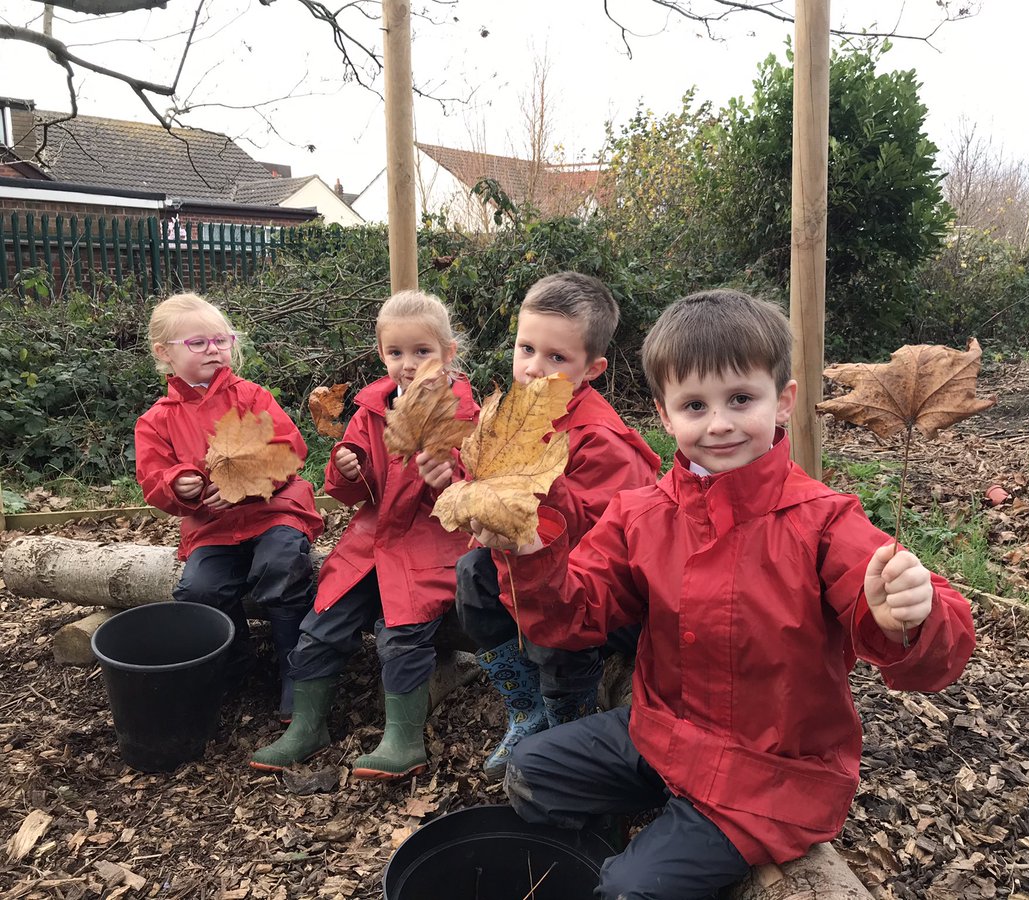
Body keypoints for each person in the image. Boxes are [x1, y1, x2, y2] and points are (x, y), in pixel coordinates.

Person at [474, 290, 978, 900]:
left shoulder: (821, 521)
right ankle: (628, 836)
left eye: (741, 398)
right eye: (694, 405)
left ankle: (650, 863)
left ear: (783, 401)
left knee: (630, 891)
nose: (718, 423)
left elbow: (935, 652)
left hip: (770, 776)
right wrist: (531, 554)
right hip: (662, 735)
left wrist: (909, 618)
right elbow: (573, 617)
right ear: (664, 415)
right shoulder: (642, 515)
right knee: (533, 771)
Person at [420, 272, 660, 781]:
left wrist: (541, 487)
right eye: (526, 348)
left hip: (582, 587)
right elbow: (486, 479)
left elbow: (607, 540)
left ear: (591, 369)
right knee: (471, 578)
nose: (533, 368)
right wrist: (455, 476)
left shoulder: (602, 440)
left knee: (556, 629)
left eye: (556, 358)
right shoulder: (512, 414)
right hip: (518, 561)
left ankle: (565, 717)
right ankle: (525, 707)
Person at [251, 290, 479, 780]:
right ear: (382, 355)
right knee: (322, 623)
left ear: (448, 354)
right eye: (396, 353)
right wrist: (346, 467)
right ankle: (307, 725)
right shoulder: (372, 407)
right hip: (371, 541)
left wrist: (451, 478)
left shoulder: (460, 411)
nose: (409, 364)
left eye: (422, 352)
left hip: (429, 543)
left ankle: (403, 737)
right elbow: (348, 490)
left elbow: (475, 488)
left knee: (401, 634)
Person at [136, 292, 323, 722]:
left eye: (221, 340)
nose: (214, 350)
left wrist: (248, 483)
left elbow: (290, 448)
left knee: (280, 564)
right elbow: (153, 480)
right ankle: (236, 662)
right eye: (198, 343)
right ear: (164, 353)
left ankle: (297, 669)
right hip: (212, 528)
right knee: (199, 590)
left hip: (273, 510)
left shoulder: (251, 396)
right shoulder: (156, 420)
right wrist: (178, 485)